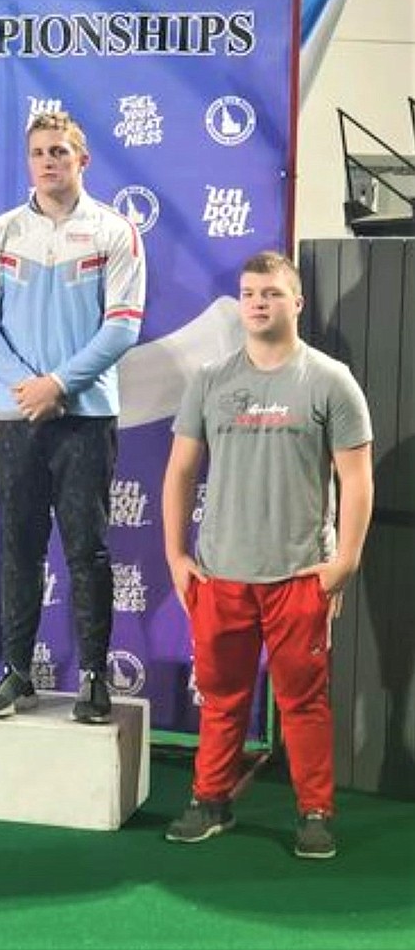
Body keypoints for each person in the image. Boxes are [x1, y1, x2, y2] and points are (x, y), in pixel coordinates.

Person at [162, 251, 373, 860]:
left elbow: (356, 480)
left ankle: (314, 811)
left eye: (272, 293)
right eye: (250, 292)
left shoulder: (330, 380)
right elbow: (179, 471)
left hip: (299, 576)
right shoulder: (210, 380)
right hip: (222, 574)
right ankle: (211, 799)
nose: (259, 302)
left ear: (296, 303)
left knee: (304, 703)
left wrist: (347, 560)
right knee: (222, 700)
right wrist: (176, 555)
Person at [0, 110, 146, 724]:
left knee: (87, 550)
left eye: (60, 151)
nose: (48, 161)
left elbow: (123, 325)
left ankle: (94, 677)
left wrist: (59, 387)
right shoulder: (1, 232)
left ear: (82, 160)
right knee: (19, 548)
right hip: (13, 415)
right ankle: (17, 673)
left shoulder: (114, 231)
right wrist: (26, 388)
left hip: (86, 417)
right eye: (38, 151)